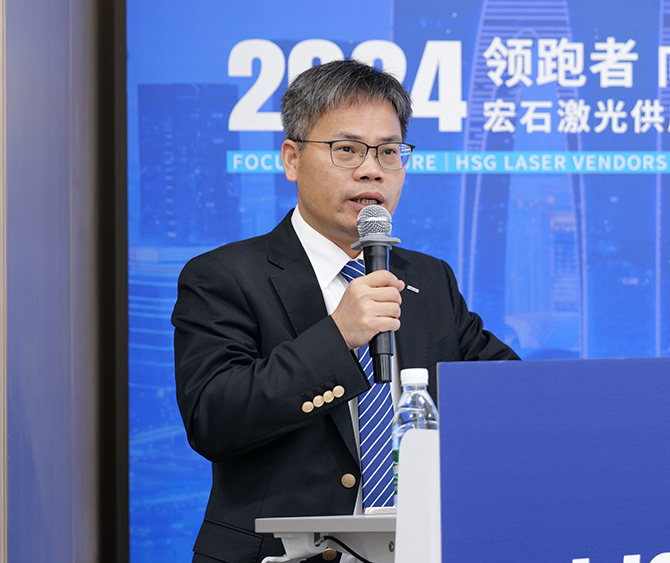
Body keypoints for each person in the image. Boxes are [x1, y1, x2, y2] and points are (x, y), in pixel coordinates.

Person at [172, 59, 519, 563]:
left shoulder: (427, 279)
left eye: (388, 152)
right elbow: (214, 419)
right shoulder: (224, 275)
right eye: (347, 149)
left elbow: (507, 393)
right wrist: (337, 337)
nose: (372, 169)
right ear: (292, 159)